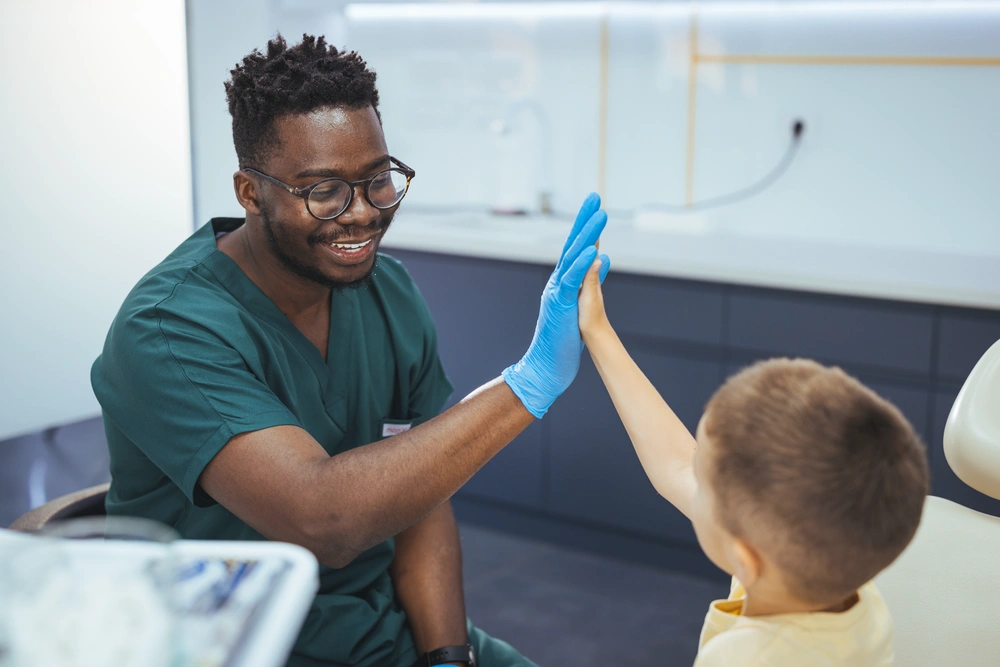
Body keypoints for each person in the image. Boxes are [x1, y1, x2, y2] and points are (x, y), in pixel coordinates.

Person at [90, 34, 609, 667]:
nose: (361, 213)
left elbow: (419, 492)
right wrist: (528, 385)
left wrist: (448, 657)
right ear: (250, 193)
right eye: (323, 190)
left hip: (375, 629)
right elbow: (324, 519)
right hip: (225, 643)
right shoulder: (170, 328)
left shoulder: (387, 292)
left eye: (377, 180)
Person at [576, 260, 929, 665]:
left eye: (703, 479)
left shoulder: (744, 658)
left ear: (745, 558)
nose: (692, 476)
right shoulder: (840, 580)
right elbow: (676, 465)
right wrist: (598, 331)